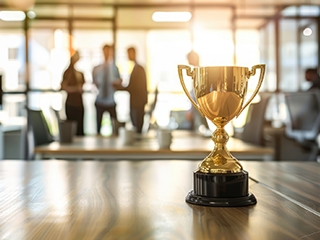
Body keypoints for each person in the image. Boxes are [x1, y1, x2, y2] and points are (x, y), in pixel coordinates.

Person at [114, 47, 148, 134]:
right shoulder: (135, 68)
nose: (128, 56)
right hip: (136, 101)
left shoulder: (139, 69)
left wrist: (121, 87)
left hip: (138, 102)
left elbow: (136, 87)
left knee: (137, 124)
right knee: (135, 123)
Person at [92, 44, 123, 136]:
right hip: (100, 100)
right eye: (104, 51)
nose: (106, 53)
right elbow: (93, 82)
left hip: (111, 100)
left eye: (108, 51)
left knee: (115, 127)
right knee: (98, 127)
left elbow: (120, 82)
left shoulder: (115, 68)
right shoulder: (97, 68)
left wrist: (117, 83)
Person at [60, 50, 85, 136]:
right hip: (71, 103)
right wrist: (75, 89)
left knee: (80, 127)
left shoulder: (80, 74)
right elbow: (64, 87)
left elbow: (81, 87)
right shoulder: (68, 72)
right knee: (71, 127)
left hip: (79, 103)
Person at [185, 50, 210, 132]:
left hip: (199, 105)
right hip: (198, 104)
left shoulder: (200, 72)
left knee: (202, 126)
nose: (188, 61)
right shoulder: (196, 71)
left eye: (189, 58)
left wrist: (191, 110)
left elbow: (195, 94)